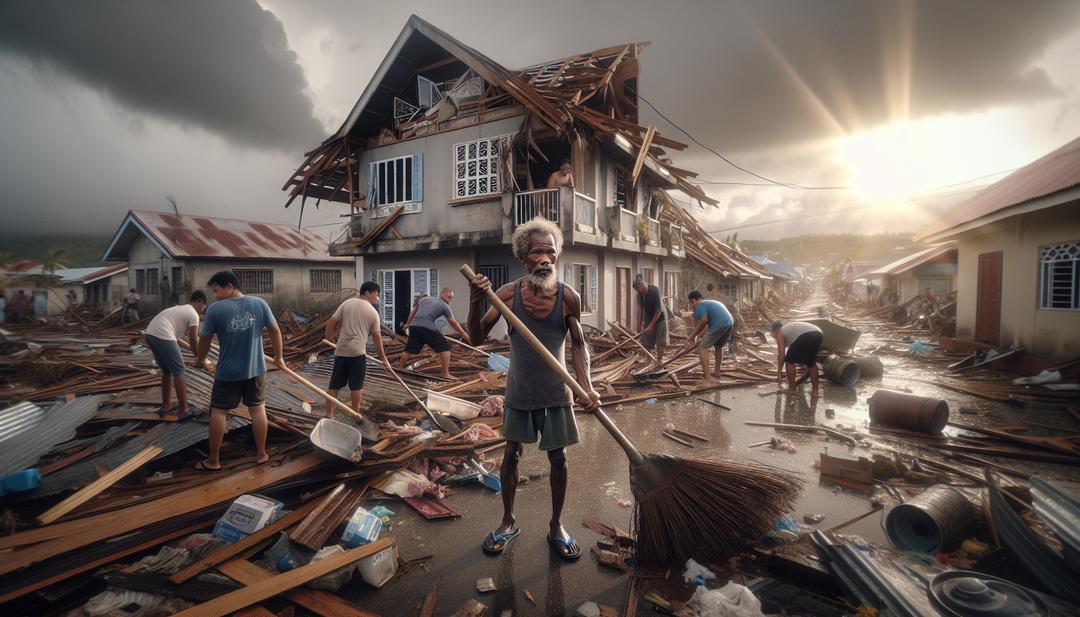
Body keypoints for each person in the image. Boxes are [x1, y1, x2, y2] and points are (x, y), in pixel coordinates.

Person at [468, 217, 601, 561]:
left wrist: (587, 387)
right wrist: (473, 301)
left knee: (559, 458)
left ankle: (556, 525)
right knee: (511, 456)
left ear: (557, 257)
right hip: (520, 390)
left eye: (550, 252)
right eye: (537, 252)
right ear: (523, 257)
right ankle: (508, 521)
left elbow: (578, 345)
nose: (544, 258)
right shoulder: (507, 295)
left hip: (557, 392)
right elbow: (475, 339)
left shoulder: (568, 297)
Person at [194, 271, 283, 470]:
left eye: (216, 290)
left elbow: (205, 339)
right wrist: (278, 358)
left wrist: (200, 359)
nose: (215, 295)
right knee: (258, 410)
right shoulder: (259, 304)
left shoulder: (215, 310)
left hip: (227, 373)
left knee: (219, 412)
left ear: (230, 287)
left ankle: (213, 461)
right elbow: (275, 331)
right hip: (256, 369)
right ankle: (261, 454)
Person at [324, 281, 392, 419]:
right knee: (356, 385)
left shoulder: (347, 303)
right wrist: (383, 358)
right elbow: (377, 337)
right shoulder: (373, 312)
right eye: (376, 294)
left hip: (341, 350)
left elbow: (331, 322)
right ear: (367, 293)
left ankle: (329, 414)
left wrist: (329, 338)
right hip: (357, 352)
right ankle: (355, 413)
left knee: (335, 384)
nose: (377, 298)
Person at [144, 291, 208, 416]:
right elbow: (194, 339)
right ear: (200, 301)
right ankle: (184, 410)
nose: (203, 310)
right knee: (179, 371)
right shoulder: (194, 314)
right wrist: (199, 358)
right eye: (204, 306)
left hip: (150, 333)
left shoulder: (180, 309)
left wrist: (190, 348)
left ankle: (166, 406)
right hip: (162, 334)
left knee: (167, 371)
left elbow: (175, 339)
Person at [399, 287, 471, 379]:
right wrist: (464, 334)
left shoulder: (424, 299)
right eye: (450, 297)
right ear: (444, 295)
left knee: (409, 349)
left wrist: (408, 324)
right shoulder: (445, 306)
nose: (450, 300)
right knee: (445, 347)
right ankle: (445, 374)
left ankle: (400, 369)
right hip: (427, 327)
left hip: (414, 326)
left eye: (451, 298)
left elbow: (413, 312)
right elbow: (453, 322)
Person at [681, 291, 734, 386]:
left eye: (691, 303)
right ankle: (717, 372)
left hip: (720, 324)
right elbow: (706, 328)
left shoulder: (700, 306)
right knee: (718, 346)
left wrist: (689, 339)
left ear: (693, 301)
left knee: (702, 348)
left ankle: (708, 379)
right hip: (728, 322)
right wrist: (696, 337)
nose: (691, 306)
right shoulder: (708, 303)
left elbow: (704, 321)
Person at [770, 320, 823, 394]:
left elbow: (781, 355)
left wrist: (779, 374)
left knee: (789, 361)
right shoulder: (789, 330)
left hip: (806, 335)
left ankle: (792, 389)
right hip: (818, 334)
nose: (771, 336)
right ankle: (815, 391)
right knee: (811, 363)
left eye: (771, 334)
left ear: (774, 331)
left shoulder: (780, 332)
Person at [634, 277, 668, 370]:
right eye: (640, 290)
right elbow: (640, 311)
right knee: (646, 341)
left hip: (659, 318)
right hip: (648, 318)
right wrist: (638, 327)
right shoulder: (640, 295)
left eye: (643, 286)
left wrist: (651, 326)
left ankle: (660, 361)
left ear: (644, 284)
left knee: (661, 341)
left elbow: (658, 310)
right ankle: (649, 361)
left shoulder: (654, 291)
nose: (642, 291)